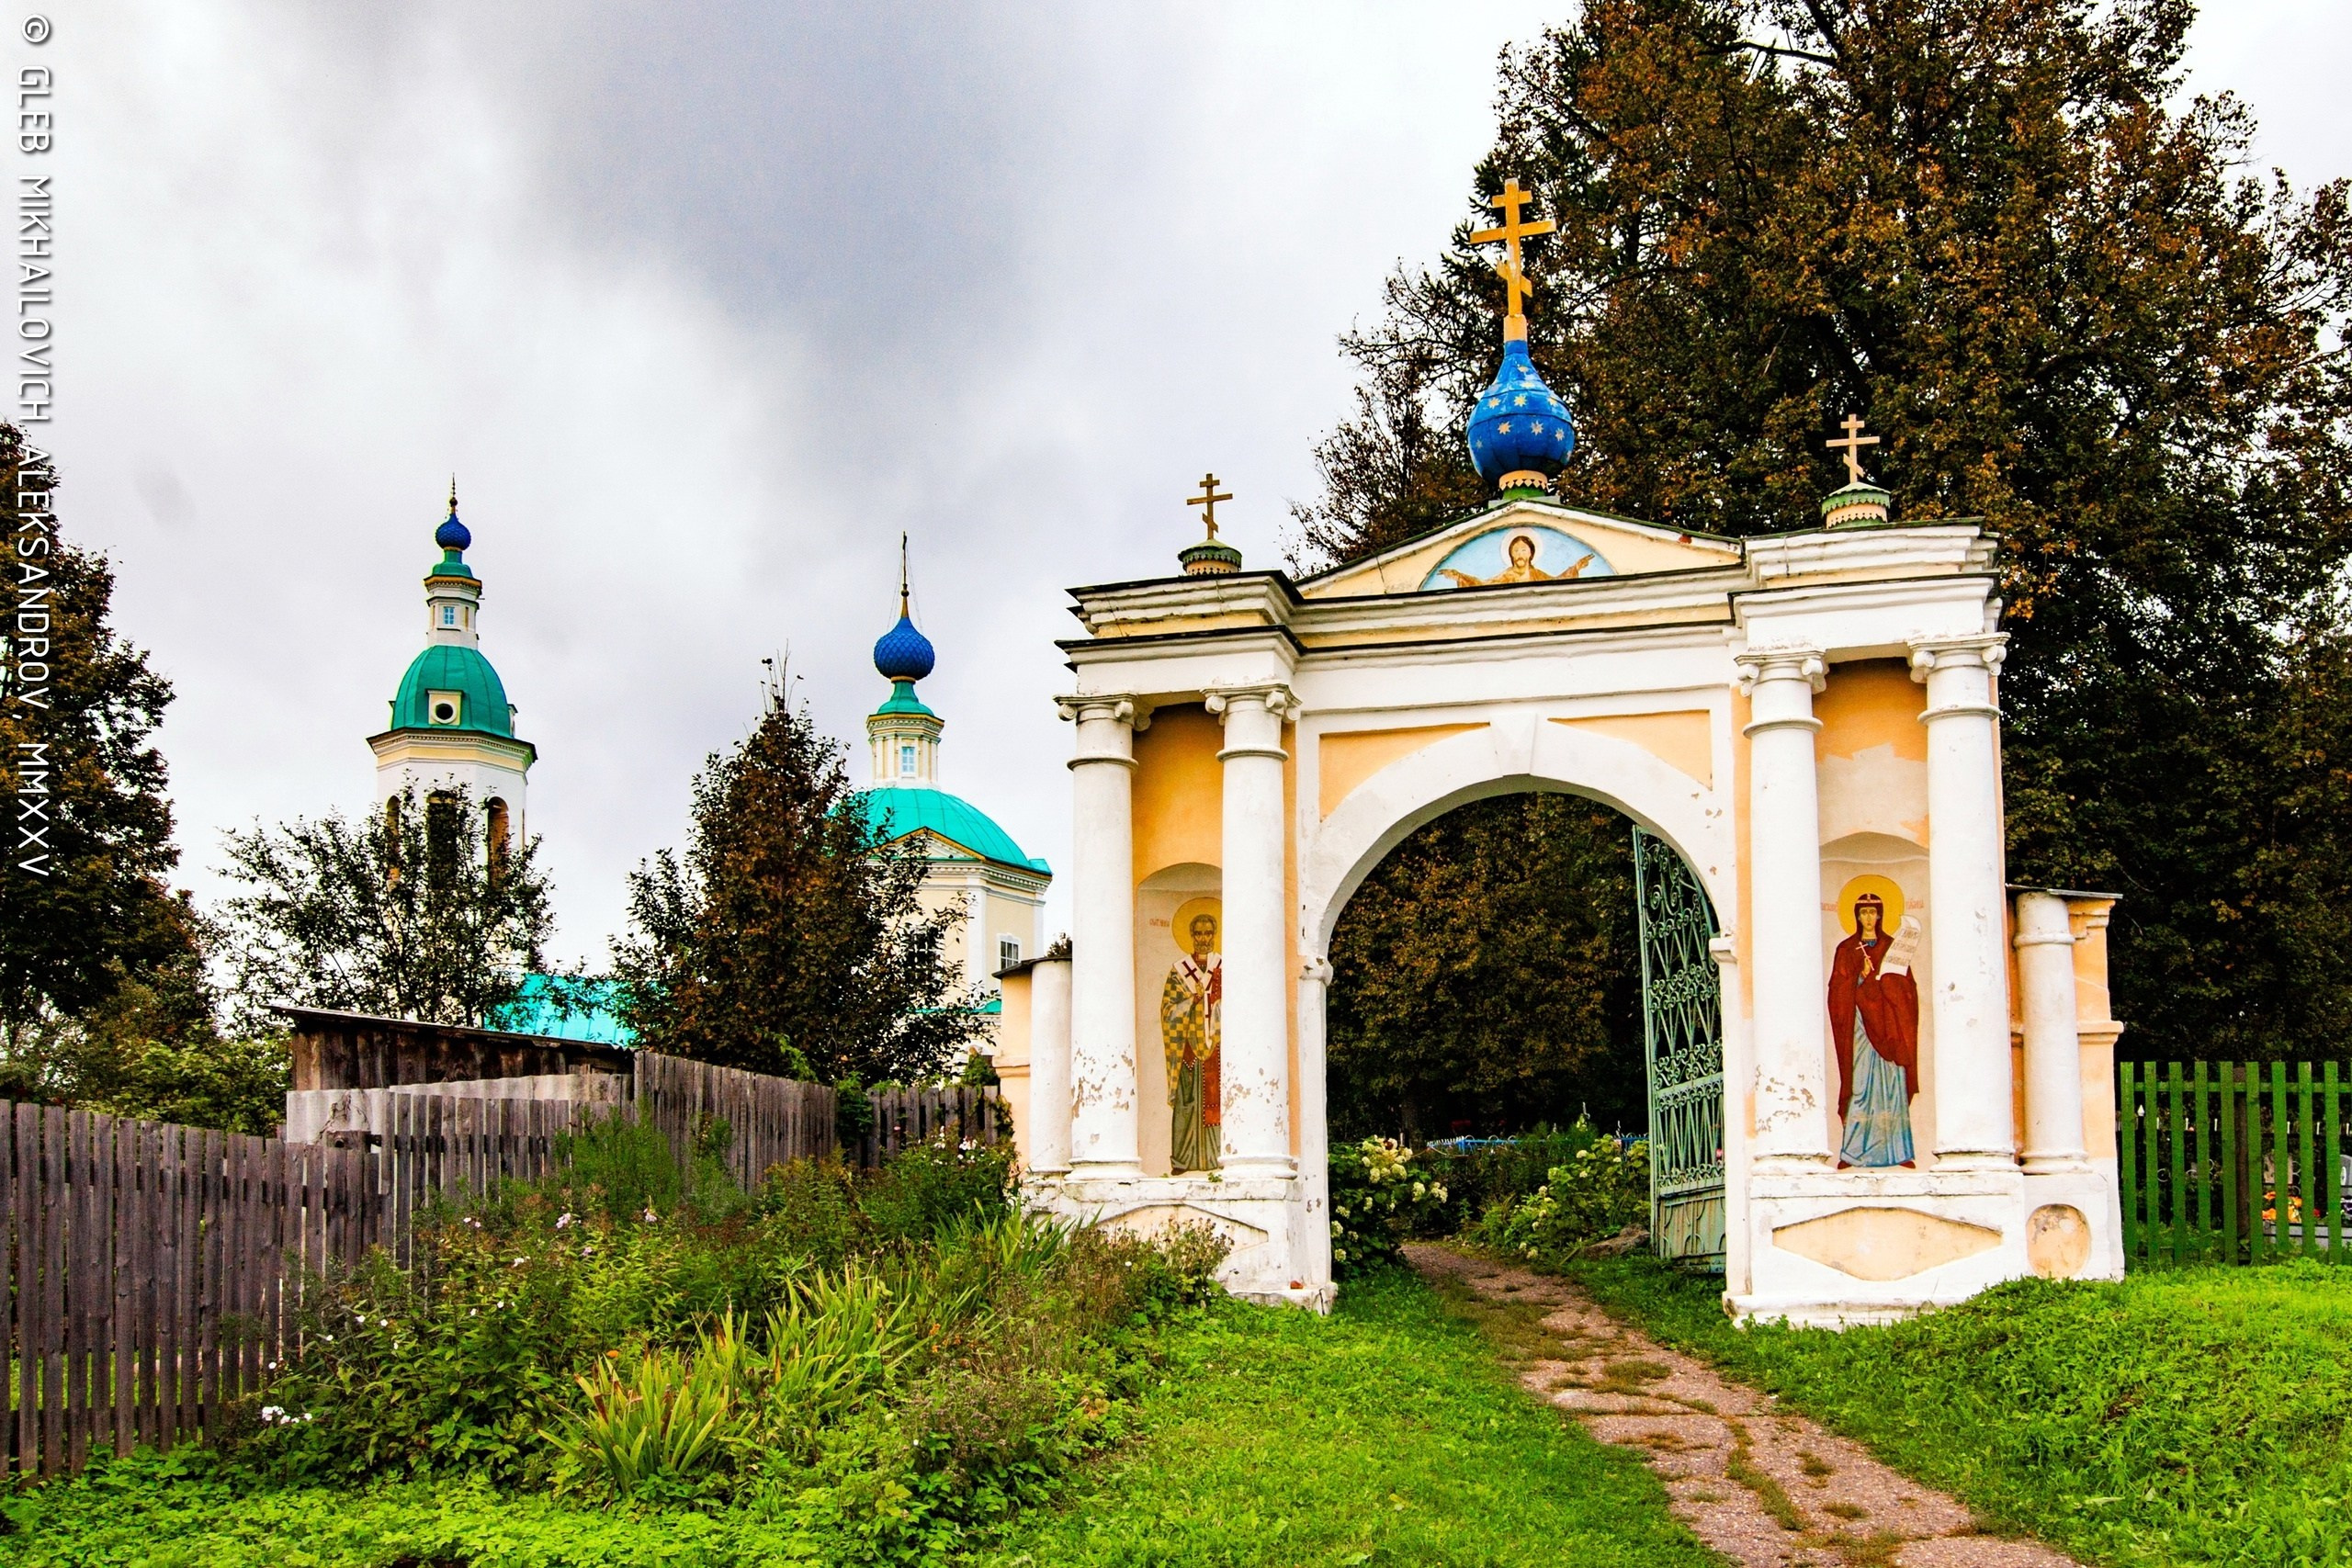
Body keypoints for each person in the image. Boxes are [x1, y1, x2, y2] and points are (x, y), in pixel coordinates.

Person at [1826, 892, 1920, 1168]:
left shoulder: (1893, 947)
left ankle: (1898, 1152)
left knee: (1891, 1085)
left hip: (1889, 1031)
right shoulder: (1846, 950)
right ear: (1856, 916)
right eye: (1863, 912)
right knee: (1861, 1085)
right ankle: (1852, 1153)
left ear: (1880, 915)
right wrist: (1862, 978)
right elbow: (1837, 992)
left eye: (1873, 912)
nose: (1868, 917)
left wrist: (1886, 982)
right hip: (1859, 1029)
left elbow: (1908, 993)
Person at [1160, 911, 1222, 1172]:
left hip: (1217, 1049)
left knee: (1217, 1102)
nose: (1203, 939)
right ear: (1192, 936)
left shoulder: (1223, 968)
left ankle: (1215, 1159)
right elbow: (1167, 1011)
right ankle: (1183, 1160)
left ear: (1214, 935)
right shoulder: (1179, 972)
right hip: (1189, 1050)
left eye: (1208, 933)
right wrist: (1193, 1001)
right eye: (1199, 933)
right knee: (1187, 1103)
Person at [1439, 531, 1595, 587]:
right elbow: (1483, 584)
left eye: (1523, 550)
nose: (1520, 554)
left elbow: (1556, 582)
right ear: (1511, 555)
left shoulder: (1538, 576)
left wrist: (1576, 568)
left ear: (1531, 554)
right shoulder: (1506, 577)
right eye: (1516, 551)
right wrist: (1459, 576)